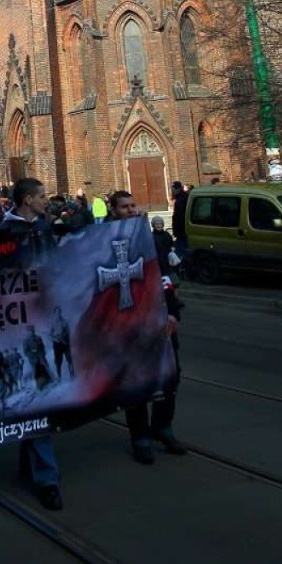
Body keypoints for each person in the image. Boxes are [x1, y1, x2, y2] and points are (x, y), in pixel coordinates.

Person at [0, 176, 63, 510]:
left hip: (42, 321)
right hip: (16, 325)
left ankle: (29, 460)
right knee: (34, 395)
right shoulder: (3, 233)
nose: (47, 201)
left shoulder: (45, 228)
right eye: (42, 196)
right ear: (27, 200)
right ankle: (48, 477)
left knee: (39, 392)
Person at [111, 192, 186, 463]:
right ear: (113, 211)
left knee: (171, 375)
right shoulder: (106, 242)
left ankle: (163, 427)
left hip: (159, 320)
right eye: (124, 207)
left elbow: (165, 279)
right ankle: (140, 436)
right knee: (137, 379)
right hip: (130, 324)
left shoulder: (151, 239)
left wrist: (173, 314)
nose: (131, 210)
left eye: (133, 205)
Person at [51, 306, 74, 380]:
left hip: (65, 343)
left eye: (59, 312)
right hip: (57, 344)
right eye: (56, 312)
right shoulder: (52, 323)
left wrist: (65, 339)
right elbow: (50, 334)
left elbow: (68, 332)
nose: (58, 314)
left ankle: (72, 374)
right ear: (54, 313)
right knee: (58, 361)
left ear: (61, 313)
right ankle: (59, 376)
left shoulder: (65, 322)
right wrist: (55, 339)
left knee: (69, 359)